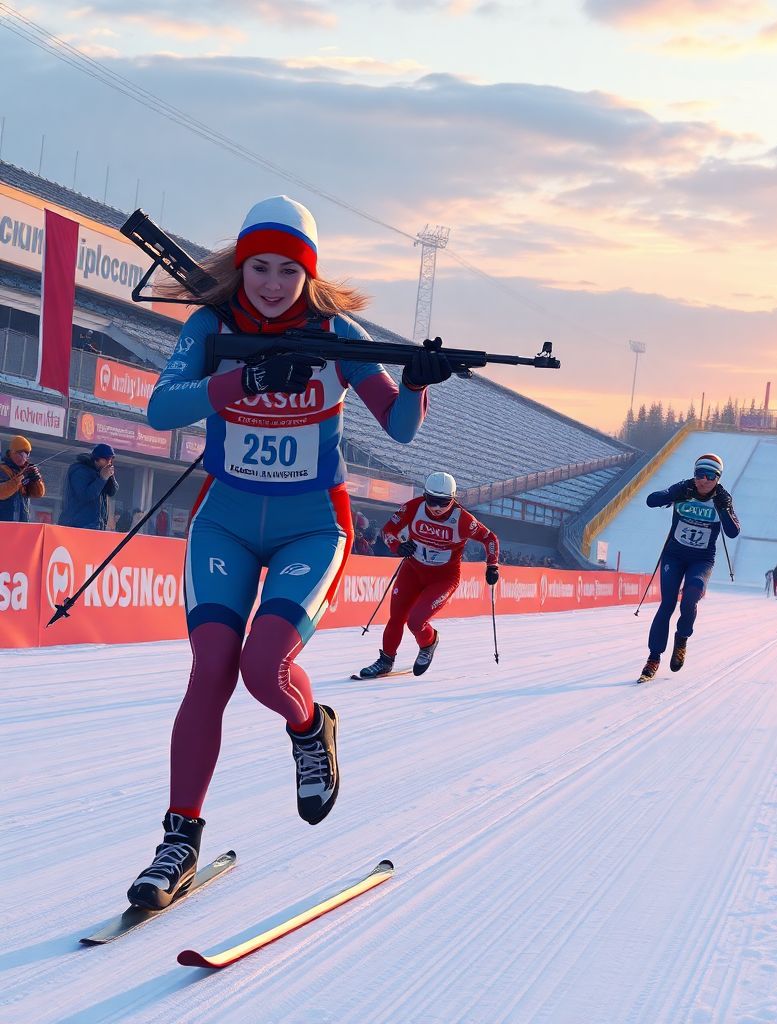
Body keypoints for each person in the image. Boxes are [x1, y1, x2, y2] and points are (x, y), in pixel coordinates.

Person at [127, 195, 451, 911]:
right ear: (241, 268)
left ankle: (310, 726)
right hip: (226, 519)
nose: (271, 284)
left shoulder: (336, 331)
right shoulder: (212, 324)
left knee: (262, 667)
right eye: (258, 268)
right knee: (211, 665)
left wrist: (419, 386)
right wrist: (245, 378)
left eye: (288, 271)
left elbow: (398, 427)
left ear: (310, 276)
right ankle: (178, 841)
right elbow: (161, 408)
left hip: (312, 523)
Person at [358, 471, 500, 678]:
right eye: (432, 501)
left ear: (453, 499)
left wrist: (492, 566)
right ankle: (386, 660)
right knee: (396, 617)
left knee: (415, 622)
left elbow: (490, 538)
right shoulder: (414, 507)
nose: (436, 508)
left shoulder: (462, 520)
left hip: (443, 578)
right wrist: (398, 546)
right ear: (425, 495)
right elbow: (388, 530)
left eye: (443, 502)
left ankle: (429, 642)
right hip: (413, 571)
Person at [637, 453, 740, 683]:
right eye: (698, 474)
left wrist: (723, 509)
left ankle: (681, 638)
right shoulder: (684, 490)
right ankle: (653, 658)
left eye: (709, 476)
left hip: (701, 560)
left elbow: (733, 532)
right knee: (667, 604)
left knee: (691, 597)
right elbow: (651, 500)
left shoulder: (723, 499)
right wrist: (673, 494)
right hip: (674, 556)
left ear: (718, 478)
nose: (703, 480)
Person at [58, 444, 118, 529]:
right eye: (106, 459)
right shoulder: (80, 471)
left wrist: (110, 477)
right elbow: (85, 496)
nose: (109, 463)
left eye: (111, 460)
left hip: (96, 526)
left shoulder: (101, 472)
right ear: (97, 459)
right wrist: (102, 479)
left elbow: (112, 492)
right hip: (77, 525)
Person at [0, 435, 45, 522]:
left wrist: (36, 479)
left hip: (21, 523)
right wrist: (22, 477)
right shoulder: (3, 469)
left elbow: (38, 494)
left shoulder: (26, 470)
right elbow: (2, 492)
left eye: (27, 454)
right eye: (21, 453)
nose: (24, 457)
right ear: (12, 453)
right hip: (4, 522)